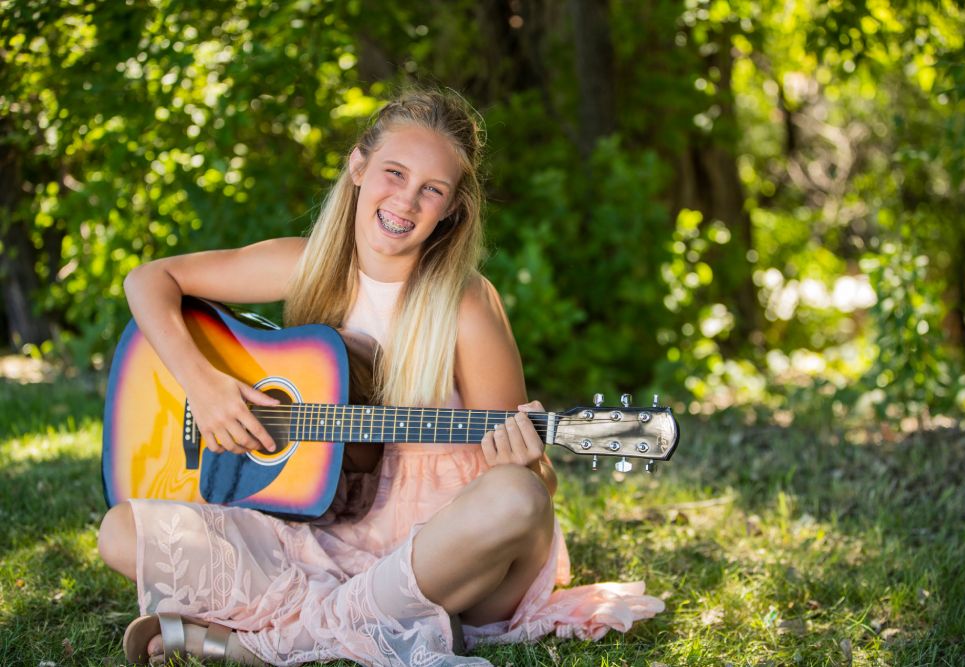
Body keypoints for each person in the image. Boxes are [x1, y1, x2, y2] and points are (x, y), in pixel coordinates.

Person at [98, 89, 663, 666]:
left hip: (440, 553)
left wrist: (526, 463)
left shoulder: (465, 303)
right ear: (357, 166)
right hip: (322, 528)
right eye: (394, 173)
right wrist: (205, 384)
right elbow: (149, 279)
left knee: (515, 497)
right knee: (121, 531)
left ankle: (272, 642)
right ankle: (355, 625)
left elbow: (531, 485)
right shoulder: (307, 263)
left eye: (432, 190)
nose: (407, 201)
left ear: (451, 210)